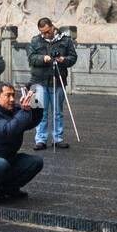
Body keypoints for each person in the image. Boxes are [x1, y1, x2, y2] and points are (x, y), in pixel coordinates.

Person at [27, 18, 77, 150]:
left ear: (53, 27)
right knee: (39, 112)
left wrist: (63, 59)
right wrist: (43, 58)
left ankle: (58, 138)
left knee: (58, 112)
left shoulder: (65, 39)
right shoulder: (35, 40)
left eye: (47, 31)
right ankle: (40, 139)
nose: (45, 34)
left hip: (58, 79)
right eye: (42, 32)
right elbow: (31, 58)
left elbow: (73, 58)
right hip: (38, 81)